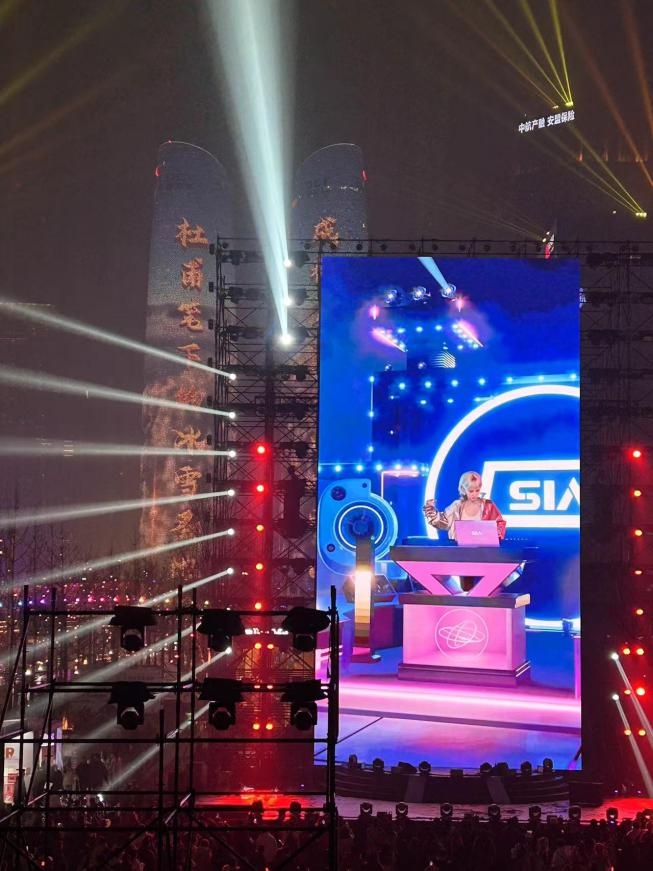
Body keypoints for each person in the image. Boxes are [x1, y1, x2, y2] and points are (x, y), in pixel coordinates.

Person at [423, 470, 506, 541]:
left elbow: (500, 524)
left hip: (483, 551)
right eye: (471, 491)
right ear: (463, 489)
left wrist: (490, 536)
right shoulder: (456, 506)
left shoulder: (488, 506)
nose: (474, 494)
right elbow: (443, 522)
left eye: (477, 490)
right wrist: (431, 510)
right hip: (459, 551)